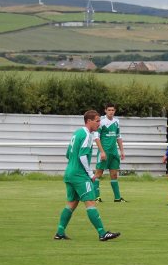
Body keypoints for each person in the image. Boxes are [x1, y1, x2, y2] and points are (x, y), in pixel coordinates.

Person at [54, 110, 120, 241]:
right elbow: (82, 155)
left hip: (69, 173)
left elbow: (68, 154)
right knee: (90, 202)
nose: (99, 124)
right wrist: (90, 173)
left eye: (99, 121)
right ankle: (102, 233)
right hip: (79, 175)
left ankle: (60, 232)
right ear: (88, 121)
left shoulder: (77, 133)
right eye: (97, 121)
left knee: (71, 203)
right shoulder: (87, 135)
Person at [93, 103, 126, 202]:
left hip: (114, 152)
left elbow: (118, 136)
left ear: (115, 111)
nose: (111, 112)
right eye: (109, 110)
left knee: (114, 174)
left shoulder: (116, 122)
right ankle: (96, 197)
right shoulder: (101, 122)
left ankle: (117, 198)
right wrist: (102, 151)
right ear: (105, 110)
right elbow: (96, 138)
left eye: (113, 110)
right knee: (99, 173)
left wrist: (122, 150)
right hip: (104, 152)